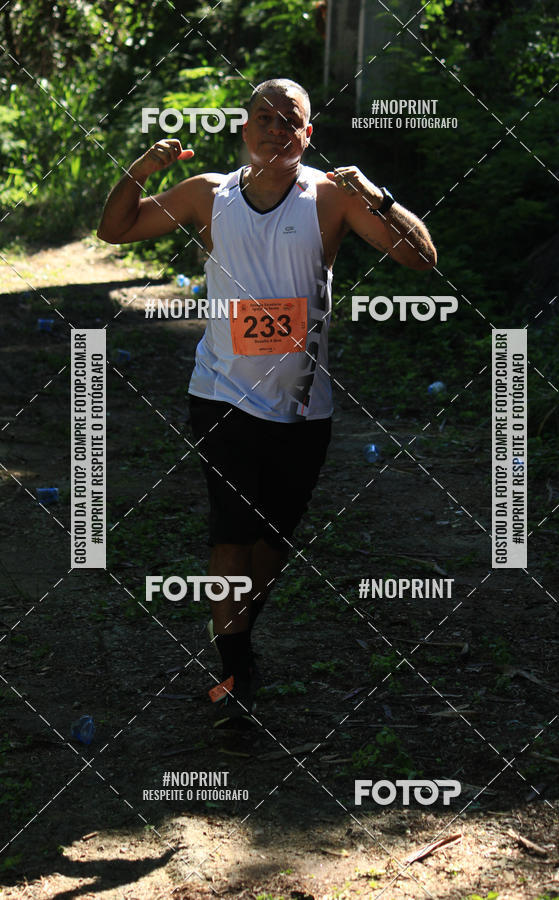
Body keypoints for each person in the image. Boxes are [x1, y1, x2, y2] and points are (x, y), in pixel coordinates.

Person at [97, 78, 436, 728]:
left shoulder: (332, 198)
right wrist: (141, 169)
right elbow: (115, 229)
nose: (277, 128)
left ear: (308, 136)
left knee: (272, 544)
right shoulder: (207, 194)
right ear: (243, 127)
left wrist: (380, 196)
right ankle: (233, 665)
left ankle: (239, 639)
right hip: (219, 394)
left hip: (304, 408)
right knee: (232, 534)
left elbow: (421, 259)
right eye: (265, 117)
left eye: (292, 121)